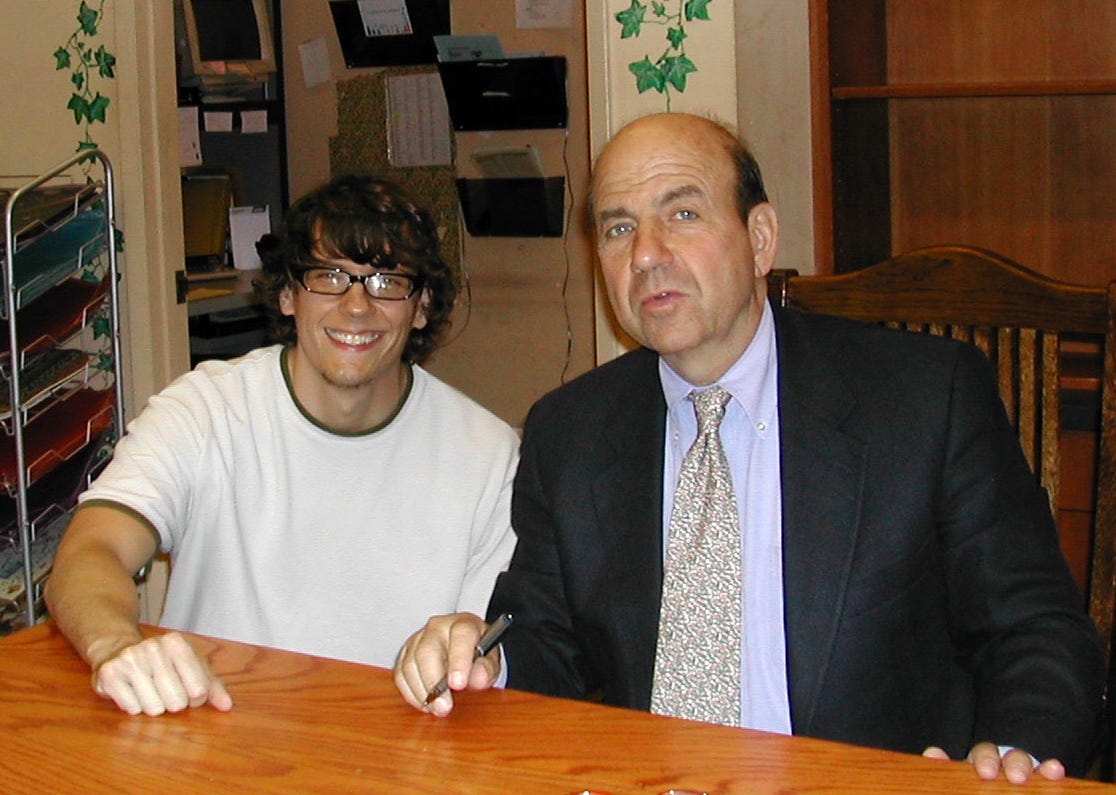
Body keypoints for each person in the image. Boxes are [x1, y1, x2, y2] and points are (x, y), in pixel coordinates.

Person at [393, 112, 1106, 783]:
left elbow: (1036, 630)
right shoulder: (569, 430)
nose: (646, 254)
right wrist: (486, 659)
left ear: (760, 238)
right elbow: (547, 640)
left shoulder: (923, 400)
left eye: (682, 213)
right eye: (618, 227)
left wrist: (1012, 750)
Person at [46, 175, 519, 717]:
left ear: (422, 307)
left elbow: (484, 647)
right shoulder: (205, 411)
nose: (357, 306)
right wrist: (115, 646)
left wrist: (469, 651)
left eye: (387, 281)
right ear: (289, 295)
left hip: (396, 744)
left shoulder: (488, 455)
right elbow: (91, 551)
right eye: (329, 277)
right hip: (213, 729)